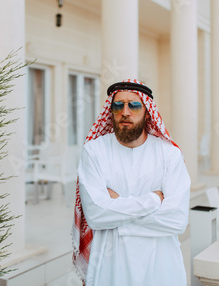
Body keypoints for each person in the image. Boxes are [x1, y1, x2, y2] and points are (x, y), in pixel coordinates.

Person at [72, 79, 191, 286]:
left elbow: (177, 219)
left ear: (147, 111)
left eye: (134, 105)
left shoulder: (169, 154)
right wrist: (154, 200)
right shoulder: (94, 151)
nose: (125, 111)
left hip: (161, 266)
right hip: (110, 267)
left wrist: (117, 209)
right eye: (118, 105)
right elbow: (97, 216)